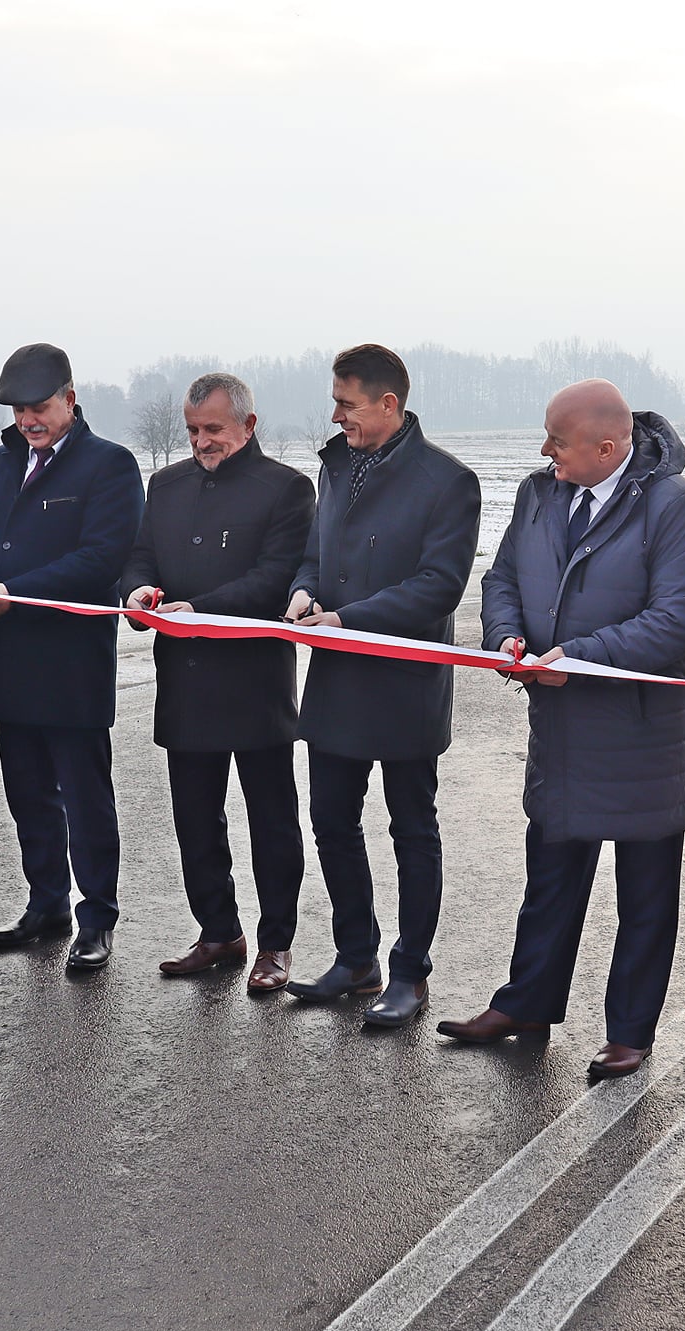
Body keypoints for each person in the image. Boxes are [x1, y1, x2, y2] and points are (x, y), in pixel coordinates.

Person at [436, 380, 685, 1078]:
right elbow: (501, 578)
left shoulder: (675, 507)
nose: (544, 451)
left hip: (641, 734)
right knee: (551, 877)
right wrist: (505, 636)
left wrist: (581, 658)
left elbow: (676, 619)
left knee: (645, 892)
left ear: (607, 446)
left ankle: (630, 1030)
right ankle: (526, 1002)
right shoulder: (540, 495)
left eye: (556, 441)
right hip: (561, 725)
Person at [283, 344, 480, 1027]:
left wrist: (347, 618)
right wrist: (304, 590)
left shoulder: (449, 481)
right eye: (336, 402)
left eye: (347, 403)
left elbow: (438, 586)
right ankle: (355, 955)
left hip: (403, 683)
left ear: (389, 404)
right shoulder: (335, 468)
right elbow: (316, 550)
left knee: (411, 829)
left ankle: (410, 972)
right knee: (332, 821)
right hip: (336, 678)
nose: (336, 416)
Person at [0, 344, 144, 972]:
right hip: (8, 657)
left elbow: (102, 559)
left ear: (70, 398)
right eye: (19, 409)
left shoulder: (108, 465)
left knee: (85, 798)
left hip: (71, 662)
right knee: (26, 792)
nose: (29, 420)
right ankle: (48, 902)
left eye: (39, 407)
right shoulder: (2, 465)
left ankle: (97, 918)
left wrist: (14, 595)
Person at [121, 373, 315, 992]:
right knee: (196, 818)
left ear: (249, 426)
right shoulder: (166, 485)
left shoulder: (287, 489)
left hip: (254, 680)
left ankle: (276, 944)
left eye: (214, 430)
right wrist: (139, 591)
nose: (202, 441)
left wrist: (198, 609)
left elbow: (272, 577)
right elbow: (141, 554)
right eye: (194, 430)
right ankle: (218, 931)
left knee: (272, 821)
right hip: (183, 677)